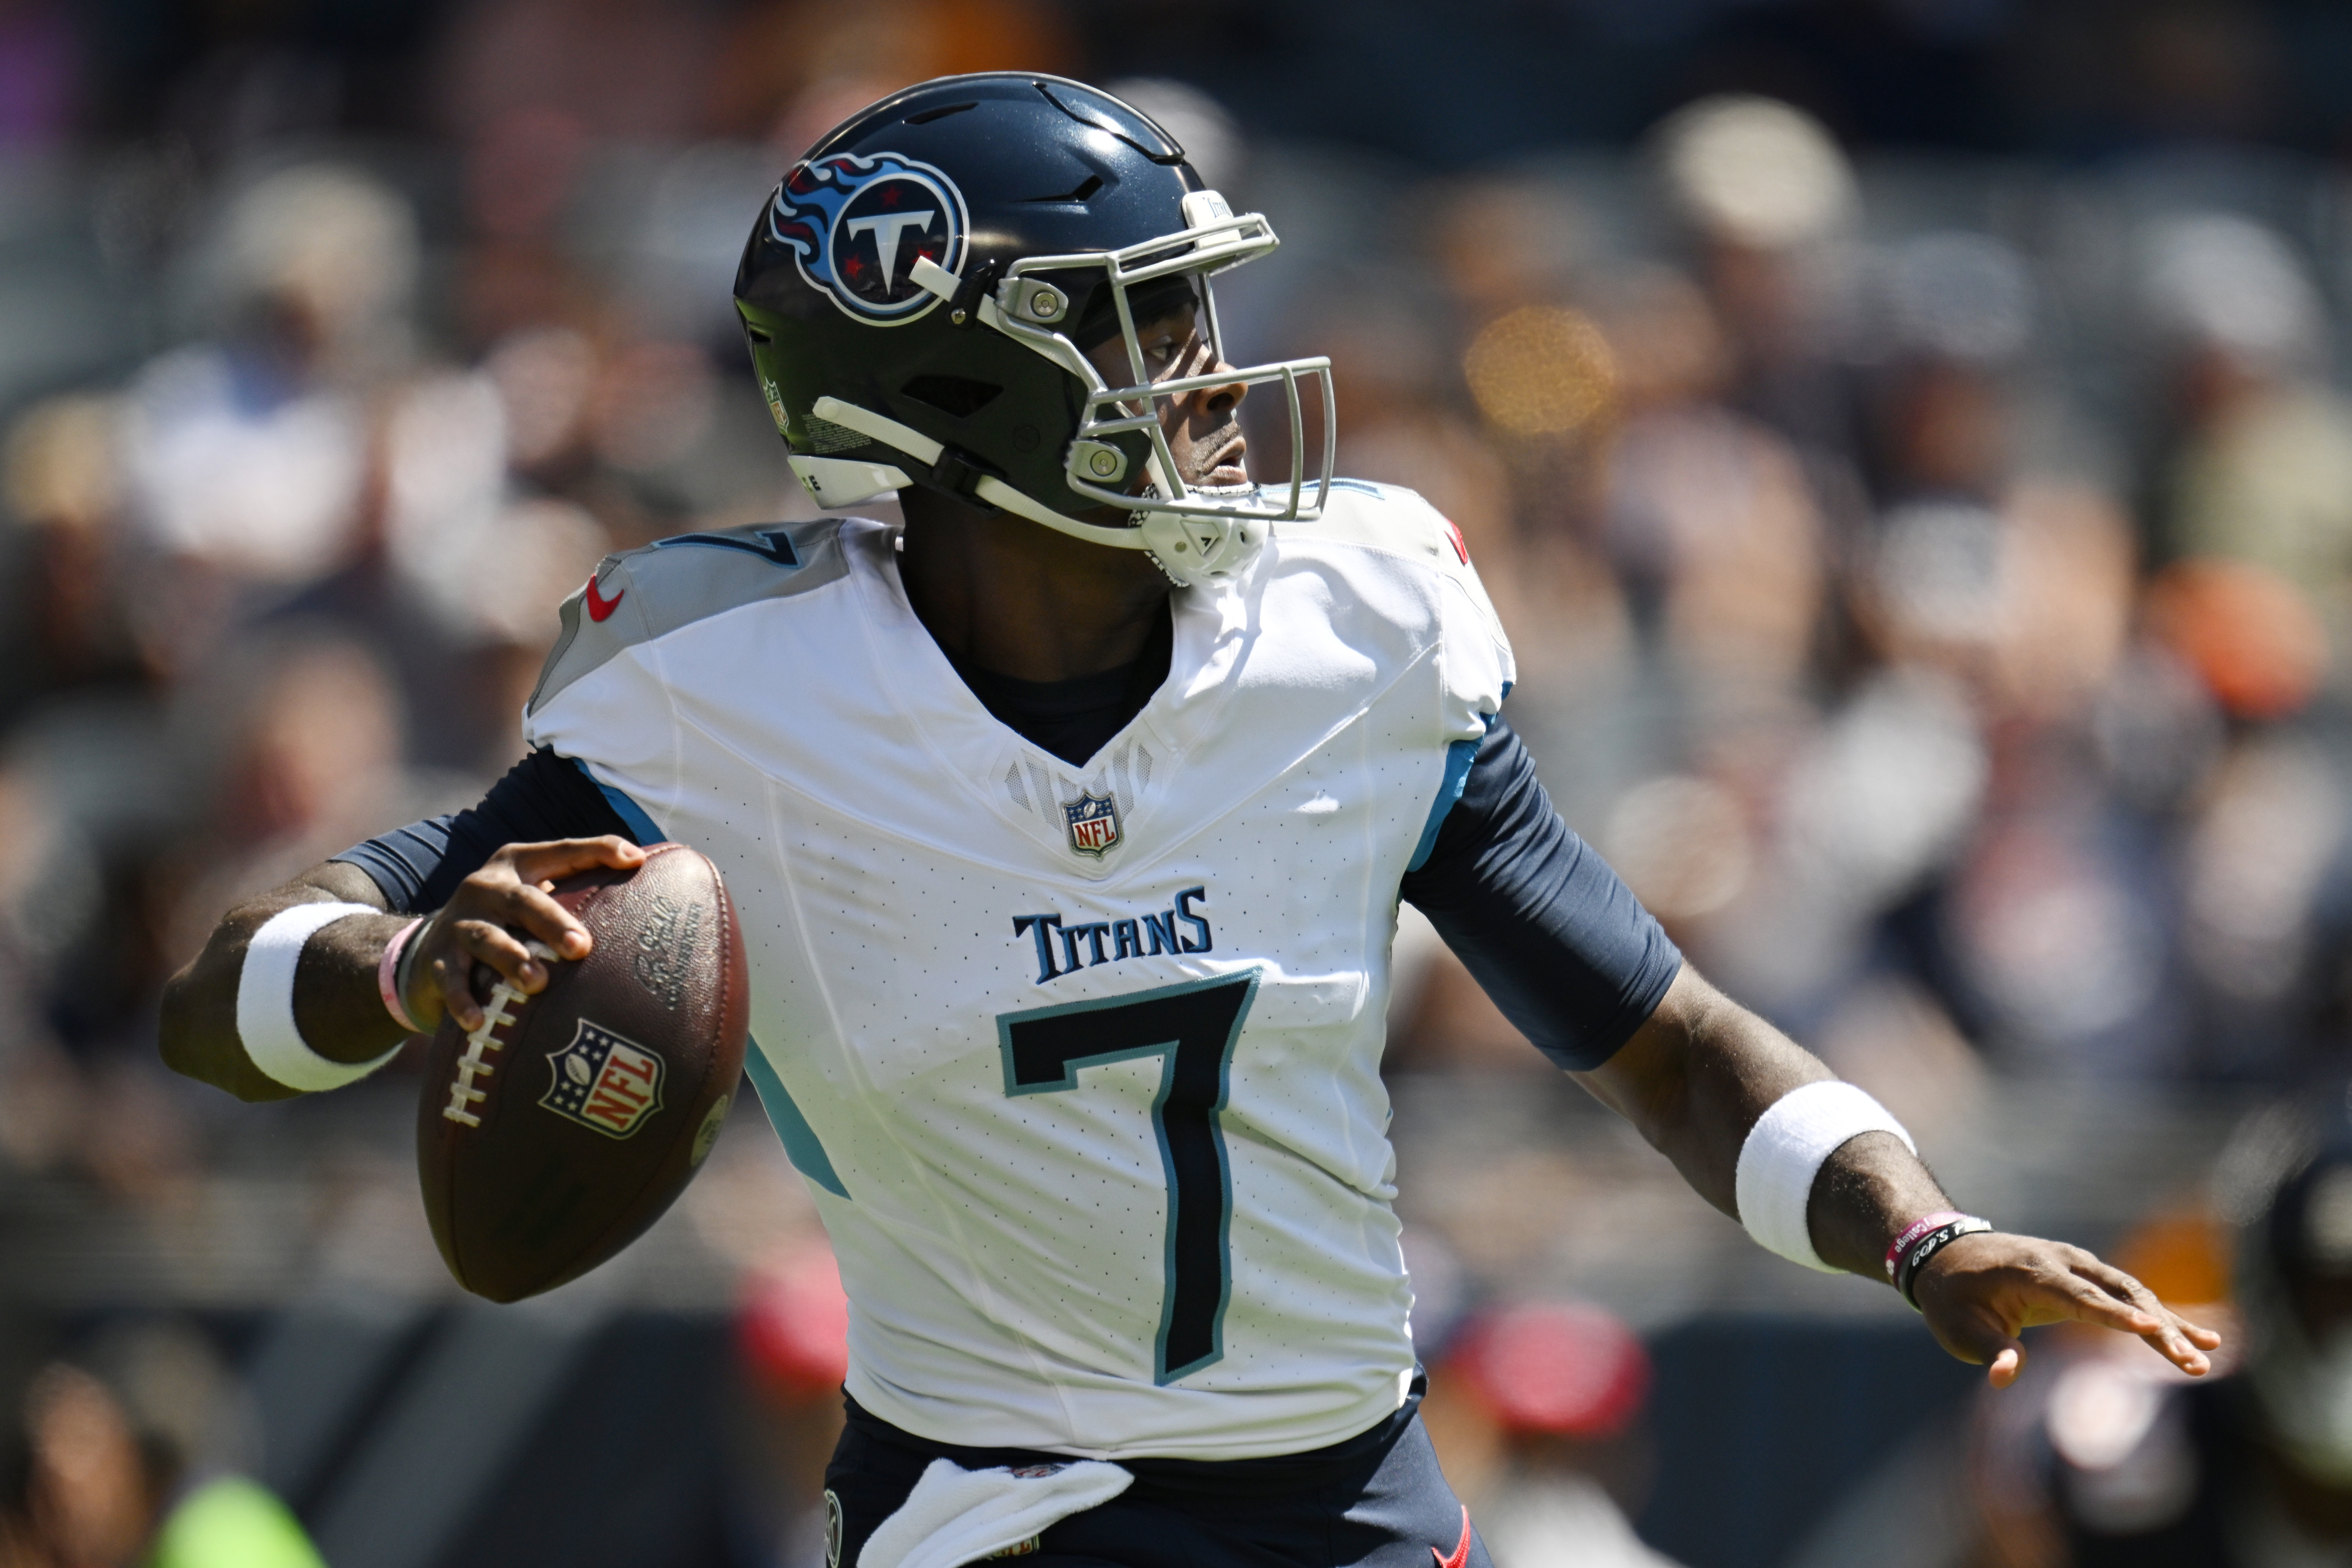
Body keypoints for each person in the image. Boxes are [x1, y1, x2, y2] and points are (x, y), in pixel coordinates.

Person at [158, 75, 2218, 1568]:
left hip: (1353, 1510)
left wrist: (1917, 1227)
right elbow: (215, 999)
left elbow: (1659, 1035)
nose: (1213, 377)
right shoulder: (730, 691)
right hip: (982, 1519)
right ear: (960, 394)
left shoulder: (1354, 626)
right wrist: (401, 966)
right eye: (1146, 325)